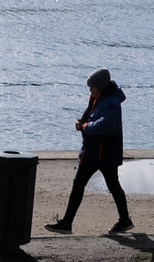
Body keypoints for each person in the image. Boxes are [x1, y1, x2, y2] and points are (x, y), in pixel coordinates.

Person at [45, 68, 134, 235]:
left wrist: (86, 126)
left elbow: (108, 125)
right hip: (95, 152)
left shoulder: (111, 103)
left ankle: (68, 223)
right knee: (105, 185)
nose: (90, 90)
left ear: (99, 87)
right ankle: (123, 220)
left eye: (91, 86)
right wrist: (83, 123)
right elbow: (93, 117)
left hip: (102, 154)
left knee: (99, 185)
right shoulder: (98, 98)